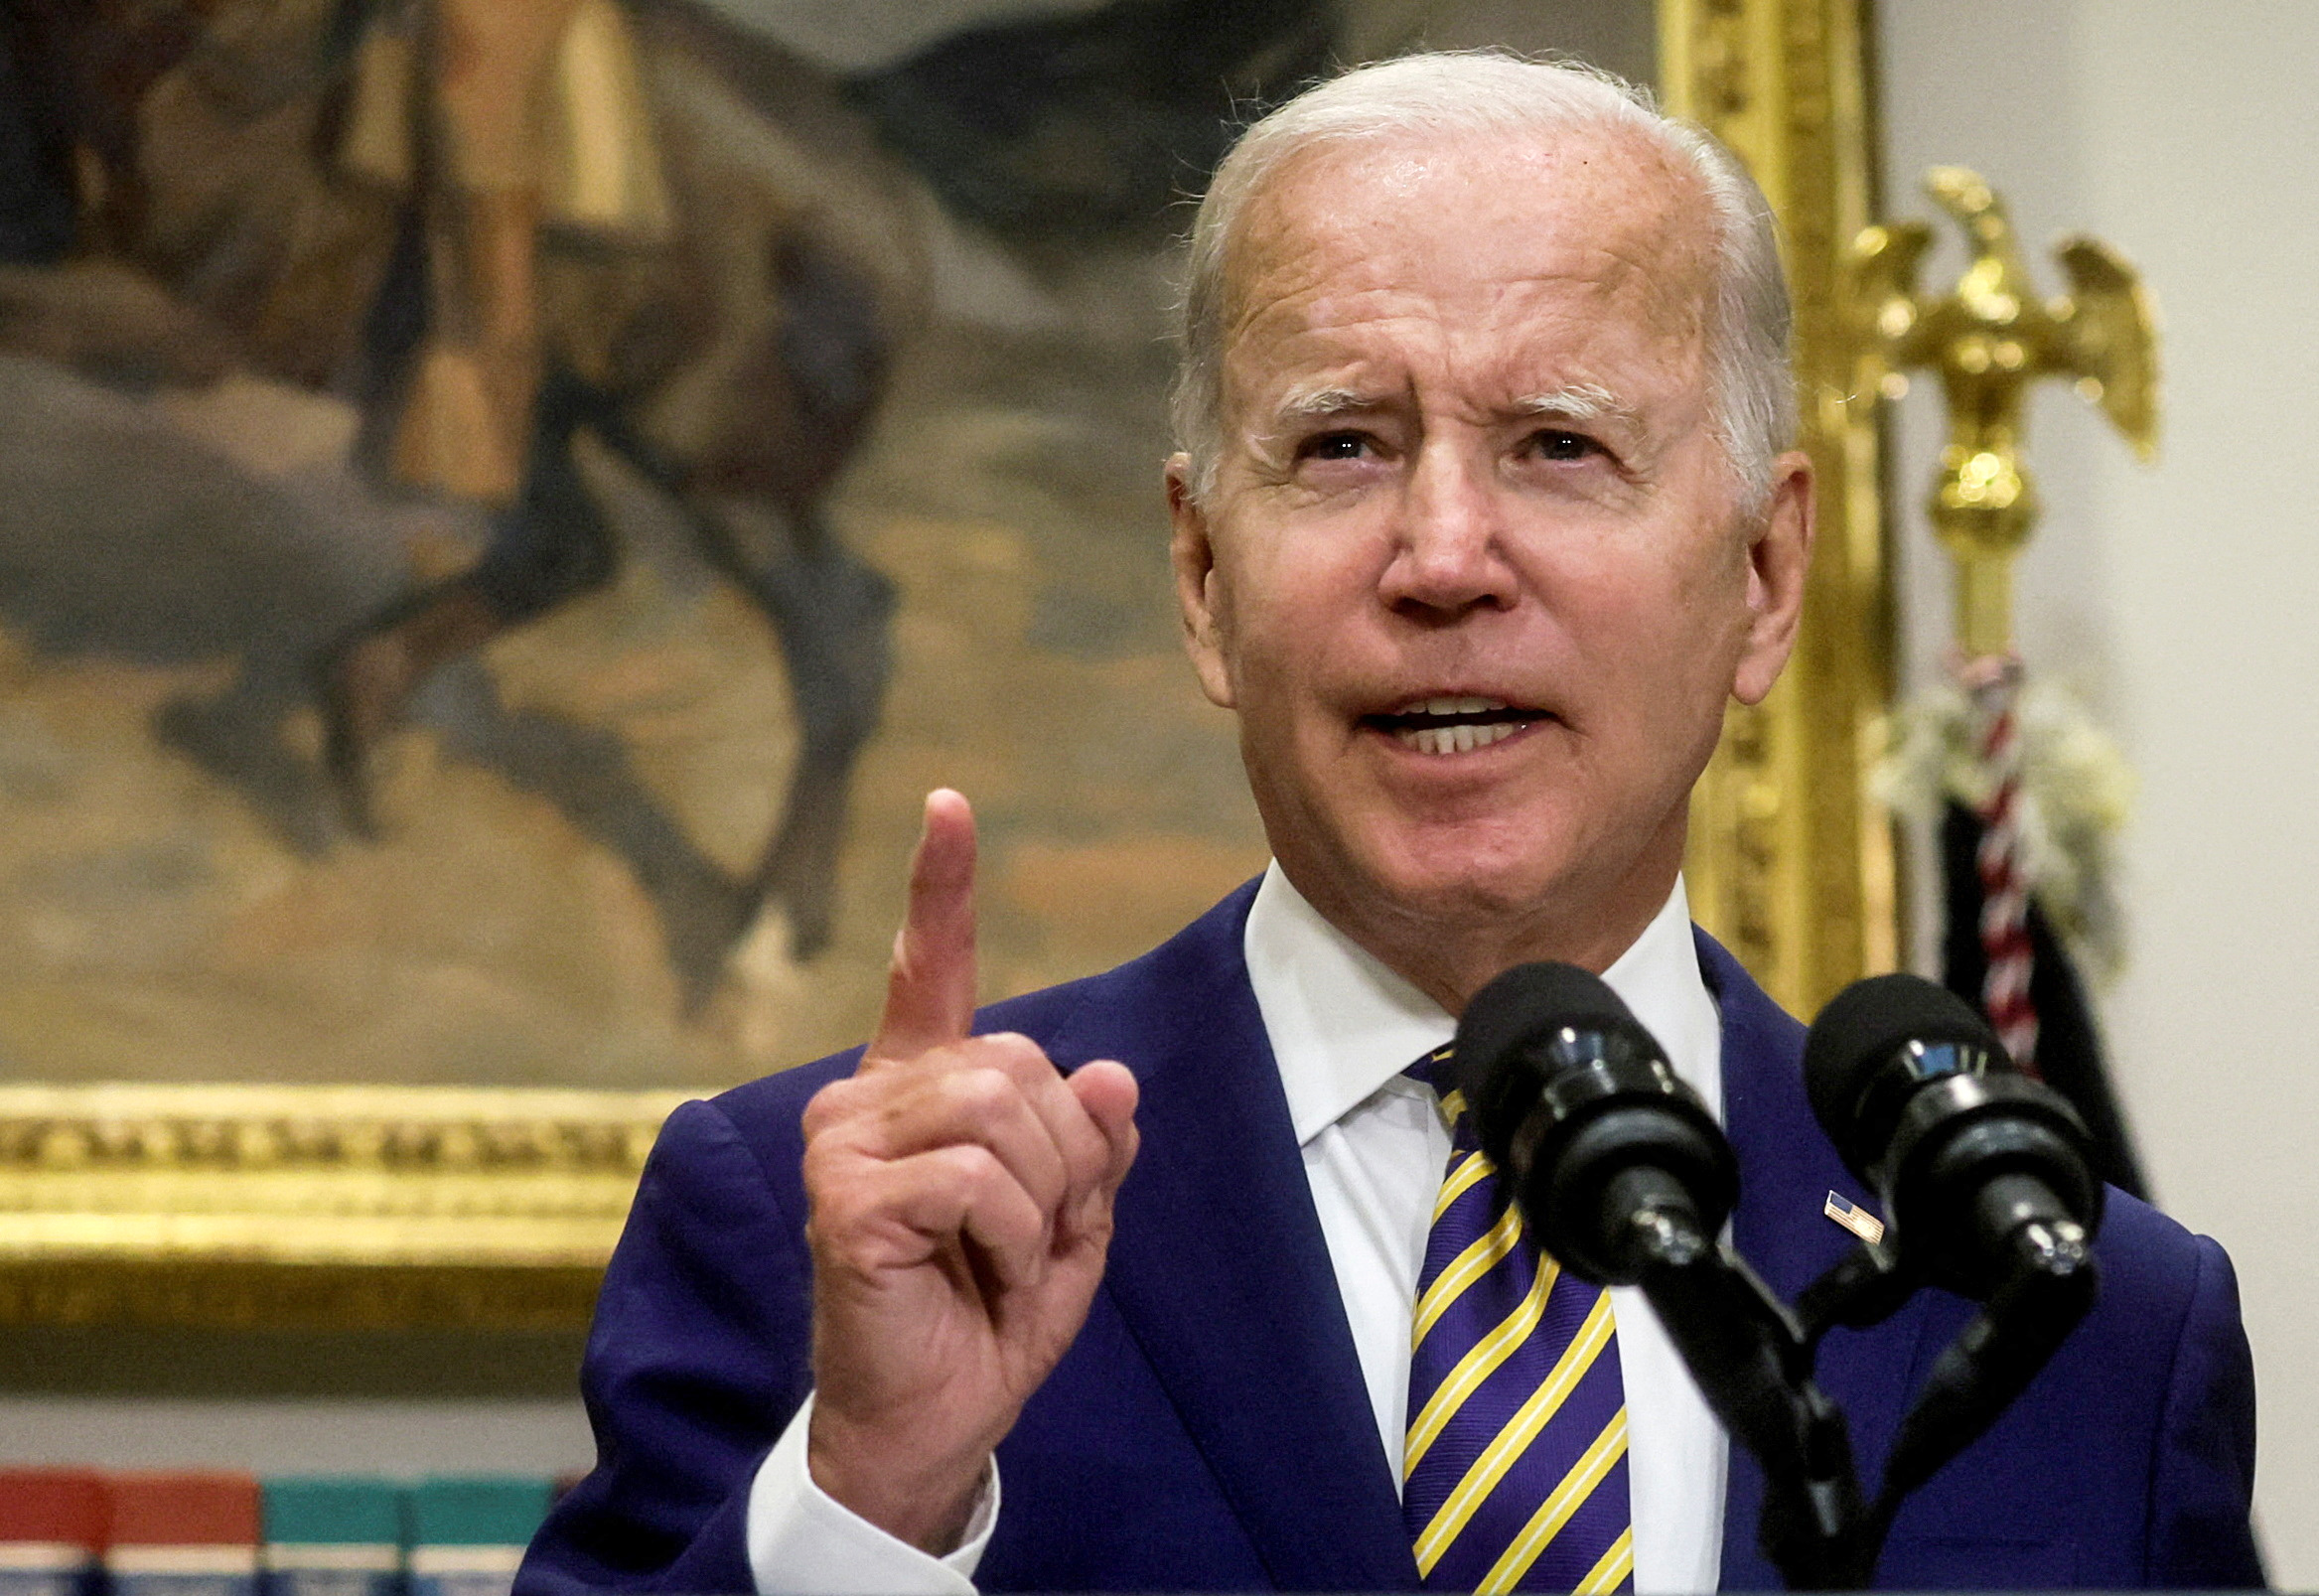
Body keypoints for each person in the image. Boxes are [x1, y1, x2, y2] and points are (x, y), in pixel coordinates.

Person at [517, 53, 2259, 1594]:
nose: (1440, 558)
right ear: (1205, 578)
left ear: (1764, 573)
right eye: (1342, 446)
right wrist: (873, 1503)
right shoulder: (830, 1225)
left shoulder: (2086, 1311)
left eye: (1560, 446)